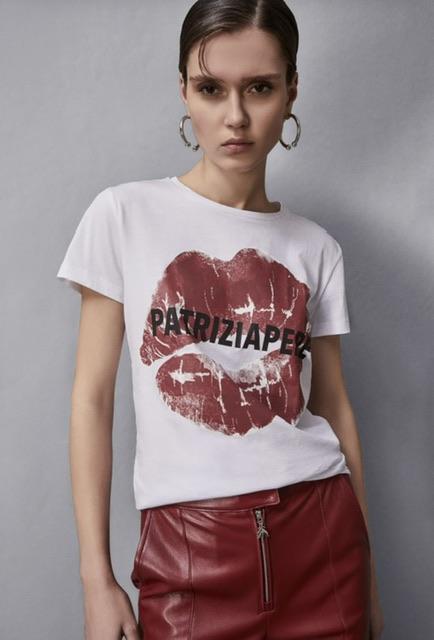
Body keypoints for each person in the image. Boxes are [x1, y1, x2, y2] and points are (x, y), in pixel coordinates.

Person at [56, 1, 384, 638]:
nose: (235, 117)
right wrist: (97, 579)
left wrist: (368, 576)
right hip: (188, 550)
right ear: (184, 90)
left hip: (322, 539)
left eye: (259, 88)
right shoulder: (123, 215)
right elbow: (91, 401)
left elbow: (334, 406)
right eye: (211, 89)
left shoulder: (316, 247)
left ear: (291, 91)